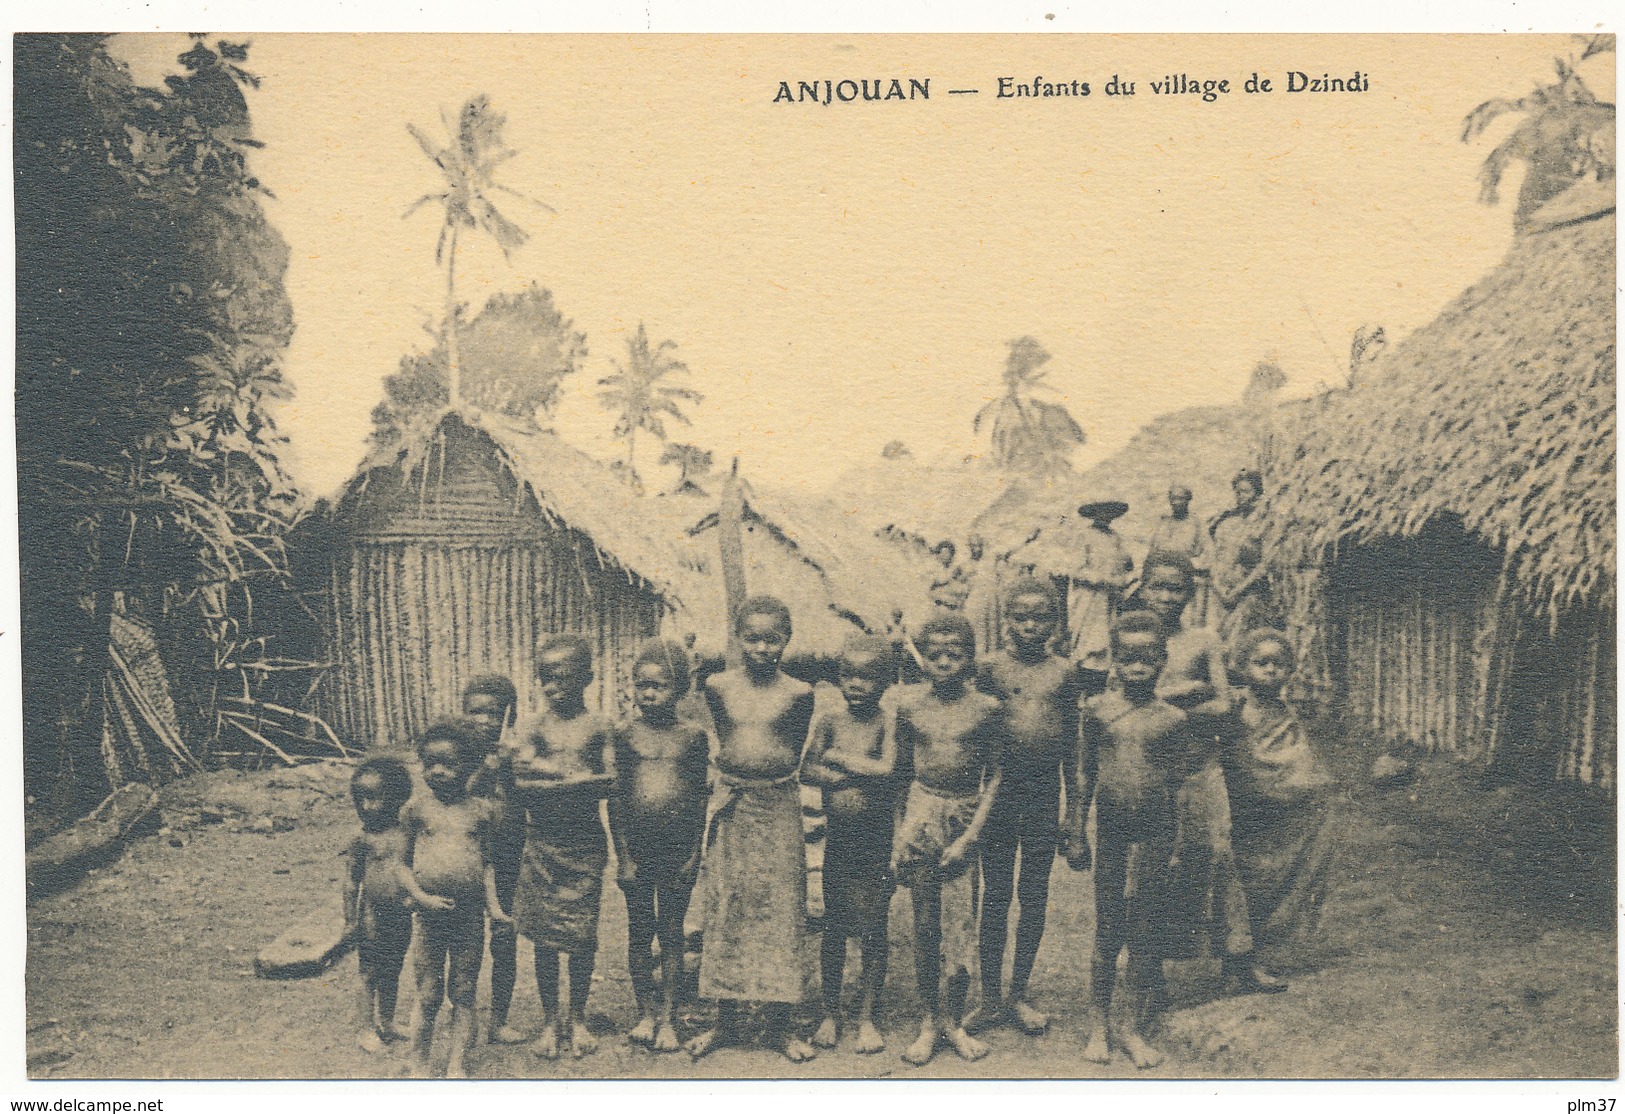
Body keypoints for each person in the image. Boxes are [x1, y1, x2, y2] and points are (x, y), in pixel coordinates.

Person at [686, 596, 819, 1063]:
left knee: (781, 908)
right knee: (728, 905)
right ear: (738, 640)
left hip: (778, 805)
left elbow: (791, 747)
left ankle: (781, 1025)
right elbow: (725, 740)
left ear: (787, 640)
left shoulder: (800, 694)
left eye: (773, 639)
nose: (763, 648)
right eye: (752, 639)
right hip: (734, 805)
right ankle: (723, 1021)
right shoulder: (718, 687)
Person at [1132, 554, 1257, 1002]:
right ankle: (1151, 975)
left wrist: (1162, 703)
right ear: (1142, 587)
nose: (1166, 597)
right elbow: (1124, 705)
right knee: (1152, 868)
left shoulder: (1204, 640)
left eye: (1176, 588)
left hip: (1200, 767)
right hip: (1149, 774)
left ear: (1190, 592)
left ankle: (1239, 961)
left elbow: (1224, 706)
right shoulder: (1132, 637)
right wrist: (1183, 693)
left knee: (1219, 854)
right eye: (1158, 587)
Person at [966, 577, 1085, 1037]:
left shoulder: (1065, 672)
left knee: (1033, 893)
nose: (1030, 626)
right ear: (1006, 620)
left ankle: (1019, 993)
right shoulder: (990, 669)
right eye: (1020, 617)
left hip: (1042, 791)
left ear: (1056, 623)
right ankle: (990, 997)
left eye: (1041, 618)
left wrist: (1075, 815)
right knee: (995, 893)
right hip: (1000, 793)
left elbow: (1073, 746)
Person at [1072, 612, 1185, 1070]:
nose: (1137, 667)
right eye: (1128, 658)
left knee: (1145, 930)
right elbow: (1083, 773)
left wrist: (1176, 845)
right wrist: (1076, 829)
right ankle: (1098, 1024)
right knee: (1108, 927)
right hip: (1113, 831)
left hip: (1155, 833)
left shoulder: (1173, 719)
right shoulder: (1096, 710)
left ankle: (1132, 1027)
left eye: (1147, 659)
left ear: (1162, 660)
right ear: (1115, 660)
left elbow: (1176, 784)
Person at [890, 614, 1004, 1066]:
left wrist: (972, 836)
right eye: (934, 654)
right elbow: (901, 774)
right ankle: (927, 1021)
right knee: (924, 926)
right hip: (921, 812)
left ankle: (954, 1022)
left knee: (959, 927)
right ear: (922, 658)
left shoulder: (987, 709)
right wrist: (902, 830)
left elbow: (995, 774)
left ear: (970, 659)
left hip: (963, 816)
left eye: (954, 655)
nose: (943, 663)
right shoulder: (910, 706)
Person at [510, 635, 616, 1060]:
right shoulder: (534, 726)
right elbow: (519, 782)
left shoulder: (599, 726)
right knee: (544, 938)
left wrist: (551, 776)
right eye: (545, 678)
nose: (552, 686)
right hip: (543, 842)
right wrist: (573, 777)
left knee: (582, 936)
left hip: (585, 843)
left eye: (562, 677)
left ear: (586, 677)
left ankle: (579, 1017)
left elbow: (609, 780)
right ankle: (552, 1020)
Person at [1221, 629, 1339, 987]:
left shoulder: (1288, 711)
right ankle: (1235, 959)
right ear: (1243, 667)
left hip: (1284, 811)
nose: (1270, 670)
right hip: (1247, 807)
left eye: (1279, 664)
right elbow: (1236, 758)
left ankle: (1254, 955)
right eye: (1261, 663)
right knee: (1243, 879)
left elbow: (1299, 762)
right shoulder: (1234, 708)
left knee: (1275, 876)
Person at [609, 640, 710, 1053]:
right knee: (638, 932)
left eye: (660, 686)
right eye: (642, 685)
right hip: (638, 849)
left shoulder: (693, 738)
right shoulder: (625, 736)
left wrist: (694, 853)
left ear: (682, 689)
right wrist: (624, 856)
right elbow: (616, 798)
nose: (649, 693)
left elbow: (700, 797)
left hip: (677, 849)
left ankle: (668, 1016)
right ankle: (645, 1011)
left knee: (671, 933)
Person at [801, 635, 900, 1055]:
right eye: (848, 675)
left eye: (867, 677)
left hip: (877, 840)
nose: (856, 684)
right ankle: (829, 1012)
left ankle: (867, 1017)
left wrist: (841, 760)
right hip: (839, 840)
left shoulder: (888, 722)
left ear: (885, 682)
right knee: (834, 929)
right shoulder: (830, 721)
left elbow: (888, 769)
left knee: (874, 929)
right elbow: (807, 769)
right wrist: (841, 777)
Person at [401, 717, 511, 1077]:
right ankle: (418, 1061)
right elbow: (400, 865)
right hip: (429, 919)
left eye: (449, 765)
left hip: (468, 919)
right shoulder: (415, 810)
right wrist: (419, 896)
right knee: (429, 993)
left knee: (463, 993)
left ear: (470, 767)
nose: (438, 772)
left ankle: (456, 1063)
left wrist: (494, 909)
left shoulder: (482, 811)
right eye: (429, 764)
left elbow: (488, 865)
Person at [344, 756, 429, 1054]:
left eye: (374, 798)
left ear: (396, 798)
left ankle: (387, 1022)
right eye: (360, 800)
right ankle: (365, 1028)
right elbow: (352, 882)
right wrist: (350, 921)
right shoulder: (362, 838)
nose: (366, 807)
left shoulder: (407, 833)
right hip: (371, 915)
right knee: (369, 972)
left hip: (400, 915)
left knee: (393, 969)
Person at [460, 673, 526, 1044]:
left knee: (505, 938)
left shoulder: (516, 754)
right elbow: (457, 796)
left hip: (508, 857)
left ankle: (498, 1020)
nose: (483, 720)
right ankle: (463, 1019)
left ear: (508, 717)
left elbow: (530, 797)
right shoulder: (457, 757)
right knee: (466, 941)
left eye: (493, 713)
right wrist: (487, 768)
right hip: (468, 860)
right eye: (475, 712)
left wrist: (511, 766)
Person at [1067, 498, 1133, 696]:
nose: (1106, 516)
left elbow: (1127, 564)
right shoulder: (1084, 535)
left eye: (1110, 512)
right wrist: (1103, 579)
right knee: (1087, 642)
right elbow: (1077, 569)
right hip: (1089, 599)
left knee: (1106, 642)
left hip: (1109, 600)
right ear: (1094, 514)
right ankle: (1079, 689)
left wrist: (1121, 576)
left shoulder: (1116, 538)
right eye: (1102, 512)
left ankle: (1097, 690)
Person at [1209, 469, 1274, 643]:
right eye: (1238, 492)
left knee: (1238, 642)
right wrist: (1218, 586)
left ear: (1258, 494)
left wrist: (1238, 591)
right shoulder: (1227, 523)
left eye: (1246, 491)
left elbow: (1264, 565)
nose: (1241, 496)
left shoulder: (1264, 525)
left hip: (1247, 595)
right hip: (1220, 595)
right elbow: (1215, 558)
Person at [1146, 484, 1211, 628]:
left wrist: (1190, 564)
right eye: (1173, 498)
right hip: (1163, 578)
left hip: (1186, 578)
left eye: (1180, 498)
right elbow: (1153, 551)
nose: (1176, 502)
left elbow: (1207, 554)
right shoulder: (1163, 523)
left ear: (1188, 500)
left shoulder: (1196, 524)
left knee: (1190, 620)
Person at [961, 534, 1003, 656]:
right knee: (975, 631)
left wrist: (1027, 539)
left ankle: (991, 660)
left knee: (993, 632)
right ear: (969, 547)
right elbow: (956, 583)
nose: (977, 549)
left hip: (991, 602)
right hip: (974, 602)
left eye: (979, 546)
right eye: (973, 546)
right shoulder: (965, 565)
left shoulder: (990, 562)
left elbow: (1009, 551)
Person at [929, 540, 970, 612]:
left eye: (947, 553)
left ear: (952, 555)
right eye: (942, 553)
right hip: (939, 606)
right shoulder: (935, 570)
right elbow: (933, 585)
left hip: (954, 606)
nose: (944, 556)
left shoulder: (957, 570)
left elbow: (963, 588)